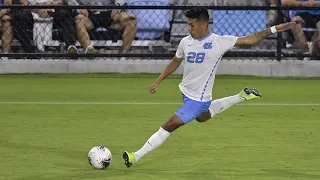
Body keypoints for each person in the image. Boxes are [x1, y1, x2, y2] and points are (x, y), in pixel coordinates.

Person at [122, 7, 295, 168]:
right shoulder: (185, 42)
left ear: (203, 24)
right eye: (188, 24)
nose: (189, 28)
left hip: (199, 100)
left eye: (192, 24)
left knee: (170, 124)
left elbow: (251, 39)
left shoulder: (219, 42)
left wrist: (273, 30)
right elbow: (176, 61)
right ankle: (241, 96)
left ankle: (135, 156)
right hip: (186, 94)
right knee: (202, 118)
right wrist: (158, 81)